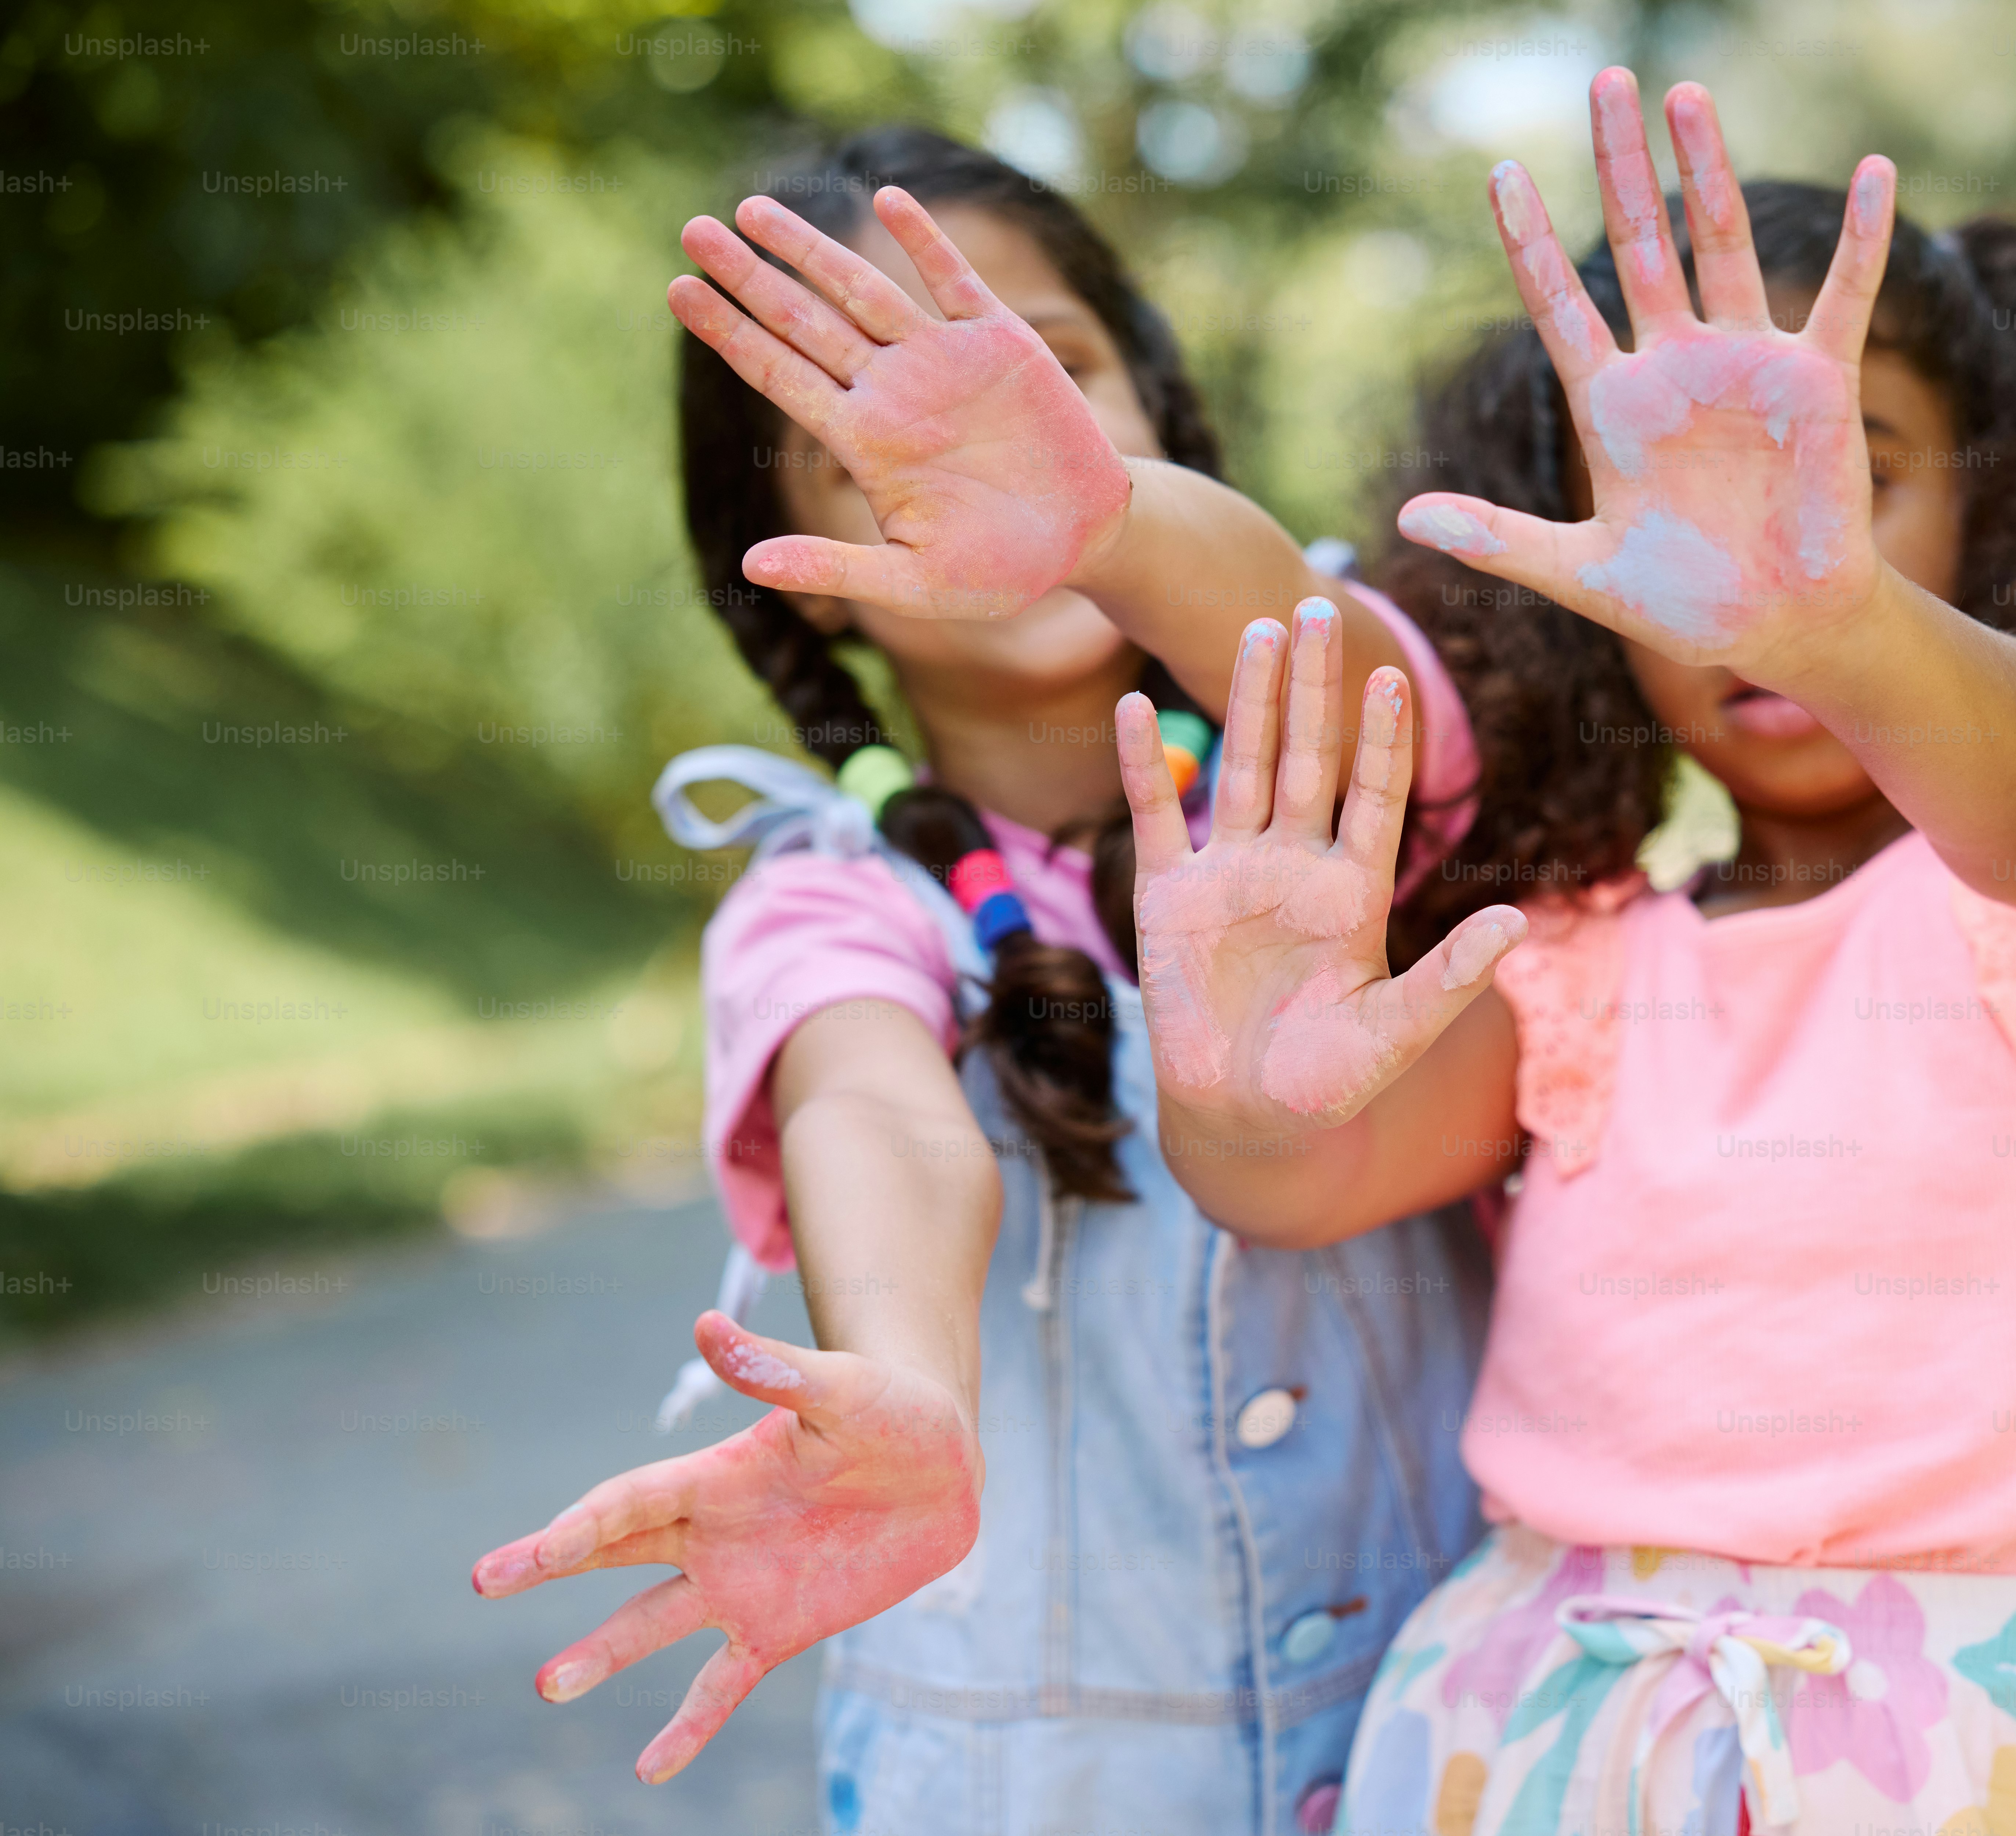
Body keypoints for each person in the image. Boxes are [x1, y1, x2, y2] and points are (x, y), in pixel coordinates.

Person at [1117, 70, 2016, 1833]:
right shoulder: (1575, 961)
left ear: (2006, 508)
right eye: (1657, 515)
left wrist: (1846, 621)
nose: (1743, 554)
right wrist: (1239, 1086)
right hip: (1530, 1756)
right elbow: (1297, 1171)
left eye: (1853, 476)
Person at [470, 128, 1490, 1836]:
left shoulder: (1333, 744)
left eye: (1057, 377)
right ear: (786, 568)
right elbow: (876, 1109)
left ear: (1160, 418)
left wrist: (1101, 518)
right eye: (868, 435)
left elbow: (1332, 654)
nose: (979, 447)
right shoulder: (834, 905)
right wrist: (904, 1384)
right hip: (1044, 1781)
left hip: (1455, 1730)